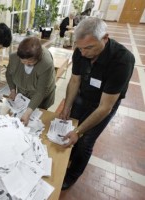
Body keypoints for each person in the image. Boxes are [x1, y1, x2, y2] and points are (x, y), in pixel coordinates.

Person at [59, 17, 135, 190]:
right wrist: (67, 107)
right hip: (83, 95)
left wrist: (79, 131)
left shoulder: (122, 60)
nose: (83, 53)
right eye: (80, 48)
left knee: (86, 141)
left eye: (89, 47)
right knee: (71, 125)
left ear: (105, 38)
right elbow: (75, 80)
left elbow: (105, 107)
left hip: (104, 103)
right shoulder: (80, 50)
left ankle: (72, 175)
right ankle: (70, 155)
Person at [6, 37, 56, 125]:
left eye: (30, 62)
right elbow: (9, 74)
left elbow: (40, 92)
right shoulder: (14, 57)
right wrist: (13, 90)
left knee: (37, 120)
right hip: (23, 94)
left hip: (40, 97)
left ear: (38, 58)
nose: (26, 64)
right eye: (23, 61)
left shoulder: (46, 64)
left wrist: (27, 113)